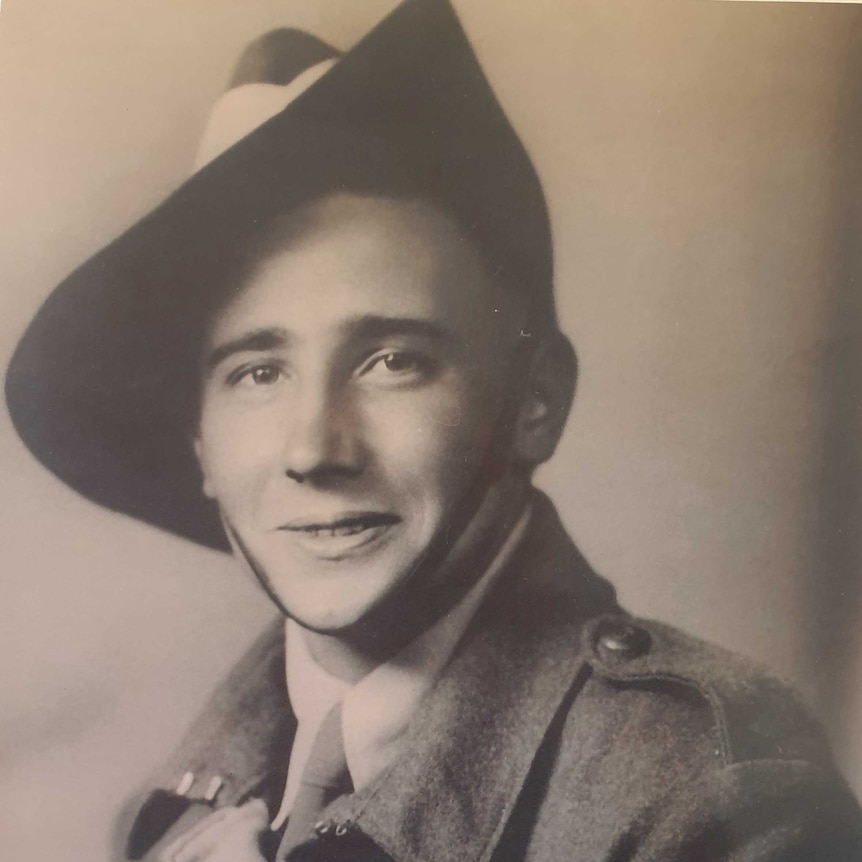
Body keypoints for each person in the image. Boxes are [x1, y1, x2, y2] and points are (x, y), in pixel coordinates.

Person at [5, 1, 862, 860]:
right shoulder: (175, 818)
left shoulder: (713, 794)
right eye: (257, 373)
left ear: (535, 401)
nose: (314, 450)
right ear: (199, 443)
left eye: (392, 361)